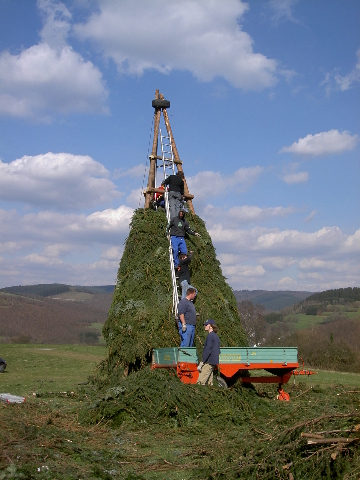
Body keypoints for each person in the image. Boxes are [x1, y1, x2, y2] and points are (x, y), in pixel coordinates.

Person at [197, 319, 220, 386]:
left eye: (206, 324)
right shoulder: (216, 336)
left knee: (200, 383)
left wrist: (202, 362)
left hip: (209, 362)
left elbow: (208, 350)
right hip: (213, 362)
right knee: (209, 384)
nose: (205, 326)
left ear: (210, 326)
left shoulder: (210, 336)